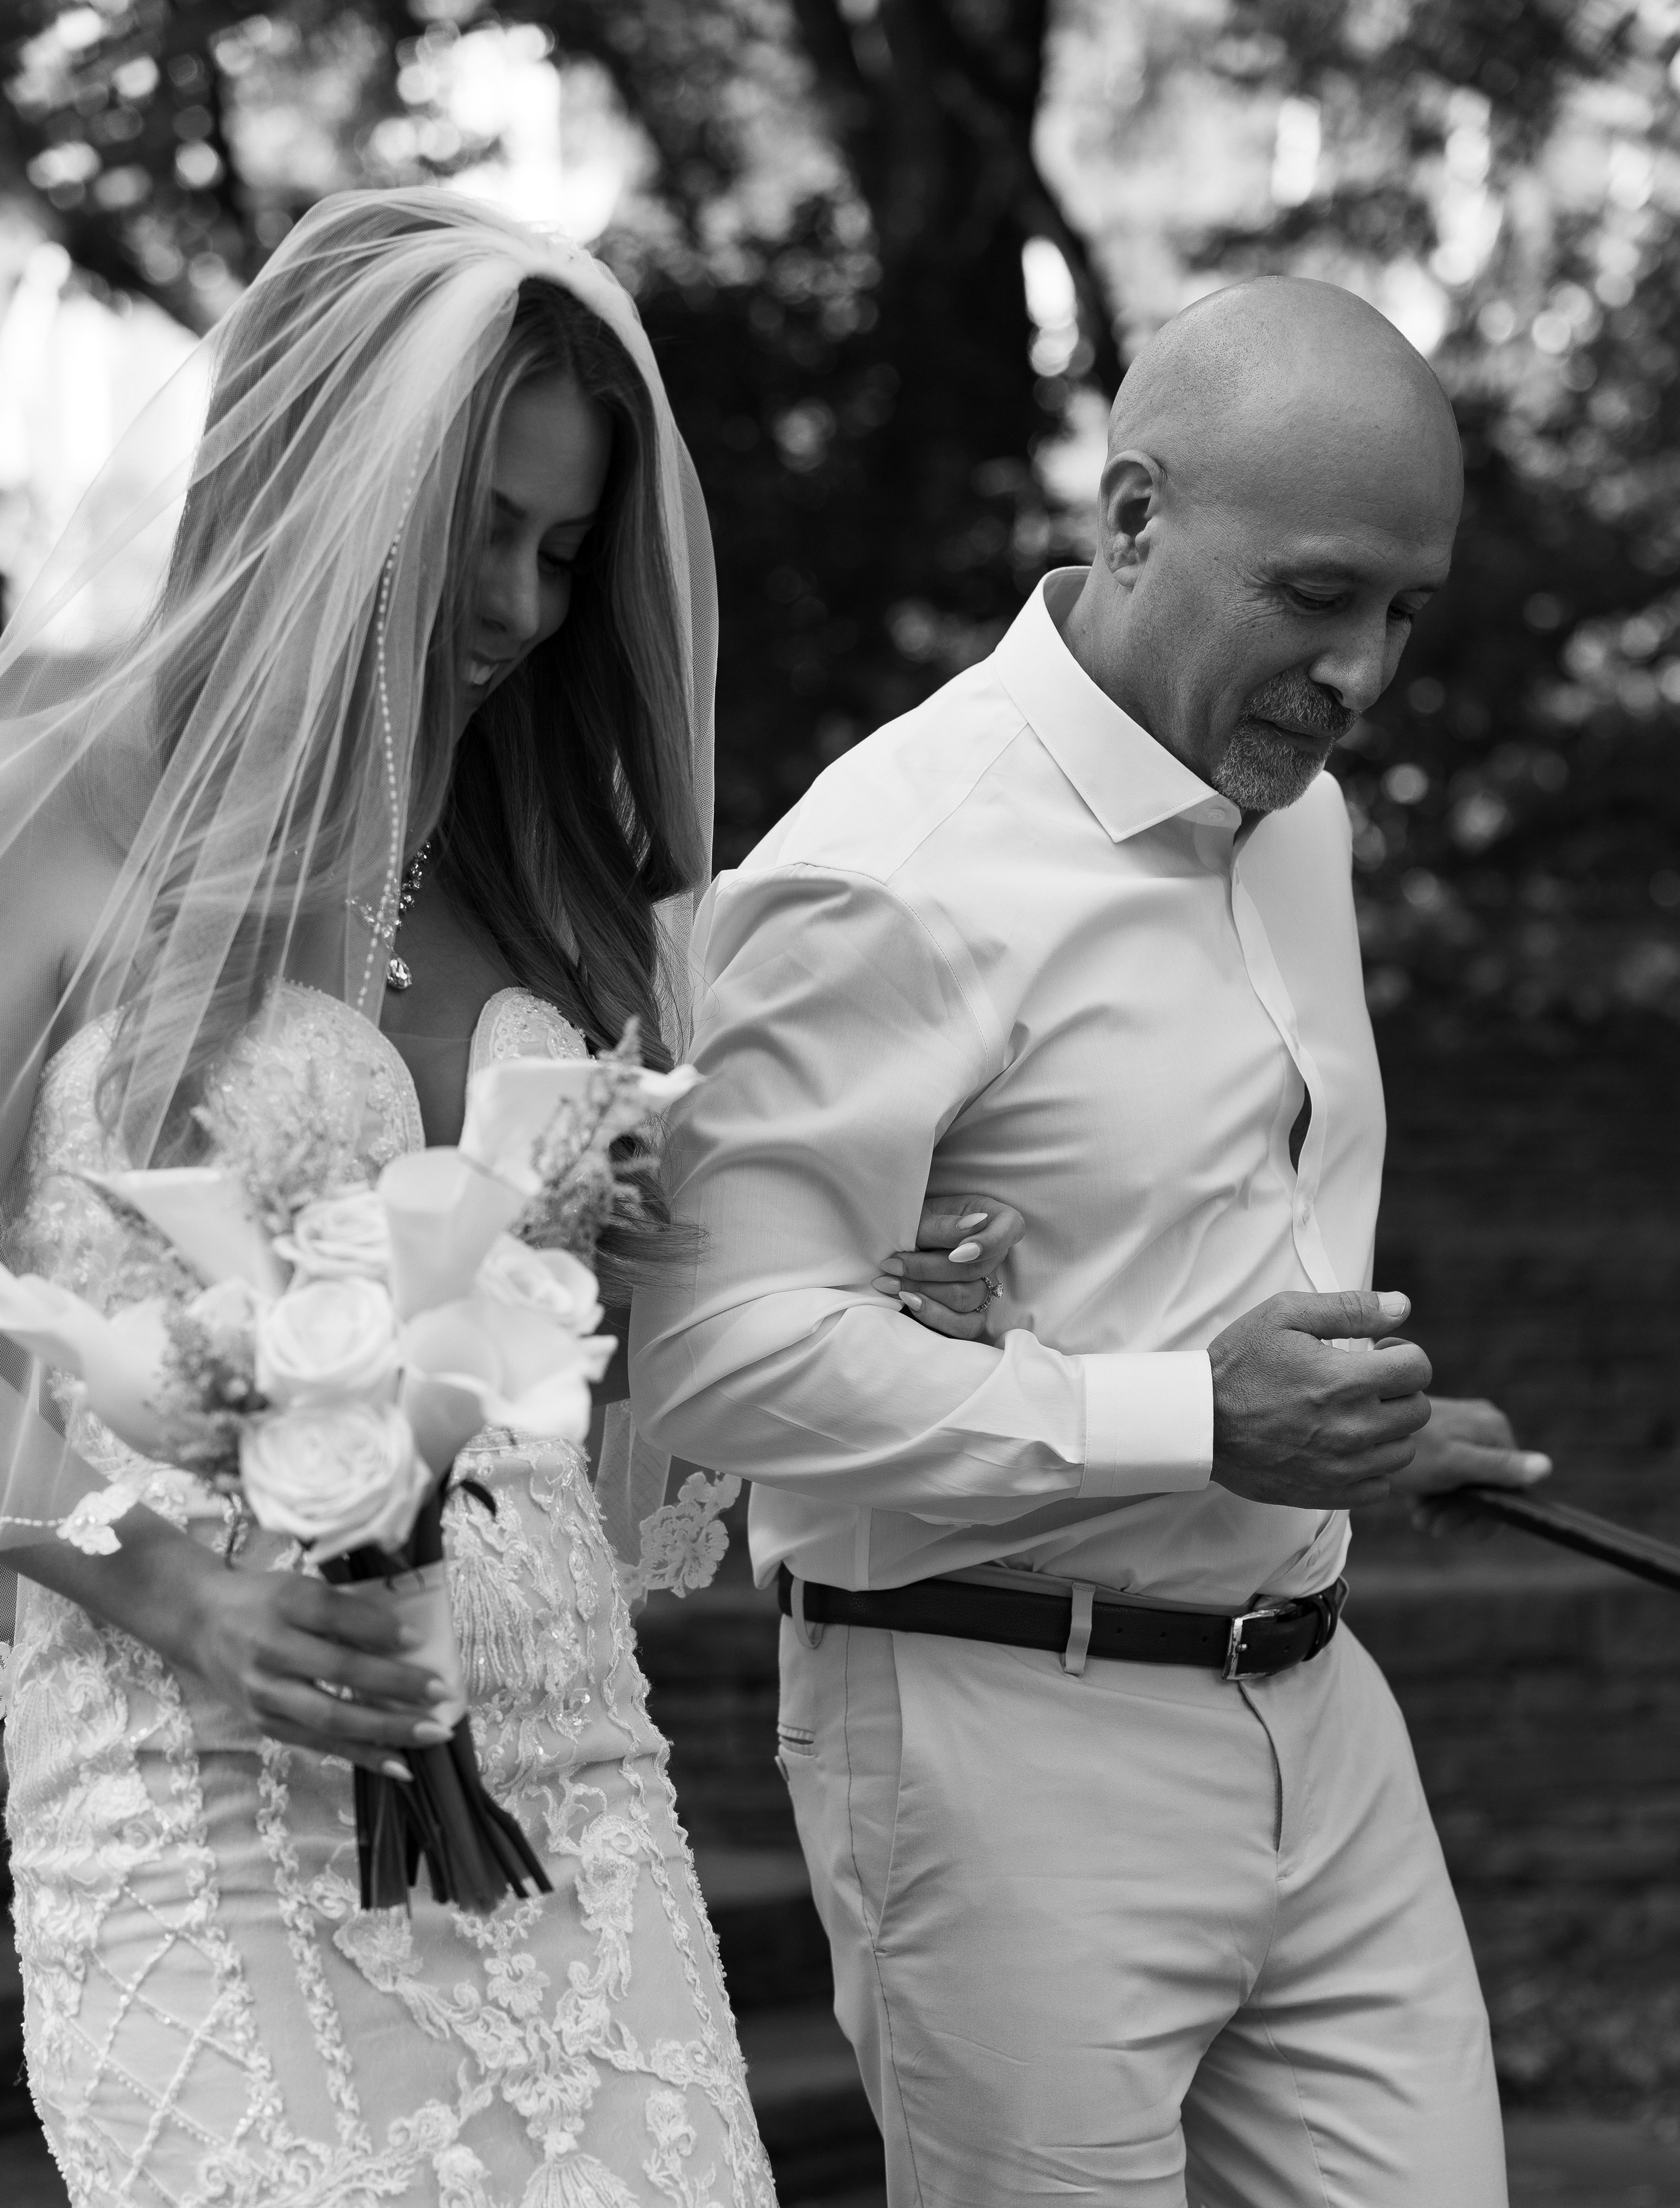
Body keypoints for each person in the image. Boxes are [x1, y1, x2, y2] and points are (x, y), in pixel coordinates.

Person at [0, 186, 1003, 2208]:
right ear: (318, 482)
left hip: (567, 1788)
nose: (525, 607)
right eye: (484, 530)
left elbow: (615, 1410)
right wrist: (175, 1590)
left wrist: (855, 1299)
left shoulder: (547, 881)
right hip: (197, 1796)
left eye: (563, 551)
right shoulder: (56, 819)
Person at [631, 278, 1552, 2208]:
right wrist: (1193, 1421)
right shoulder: (891, 869)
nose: (1364, 674)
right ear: (1134, 518)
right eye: (1318, 596)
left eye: (1405, 613)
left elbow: (1190, 1250)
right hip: (995, 1740)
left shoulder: (1298, 817)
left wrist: (1362, 1429)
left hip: (1321, 1708)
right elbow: (718, 1352)